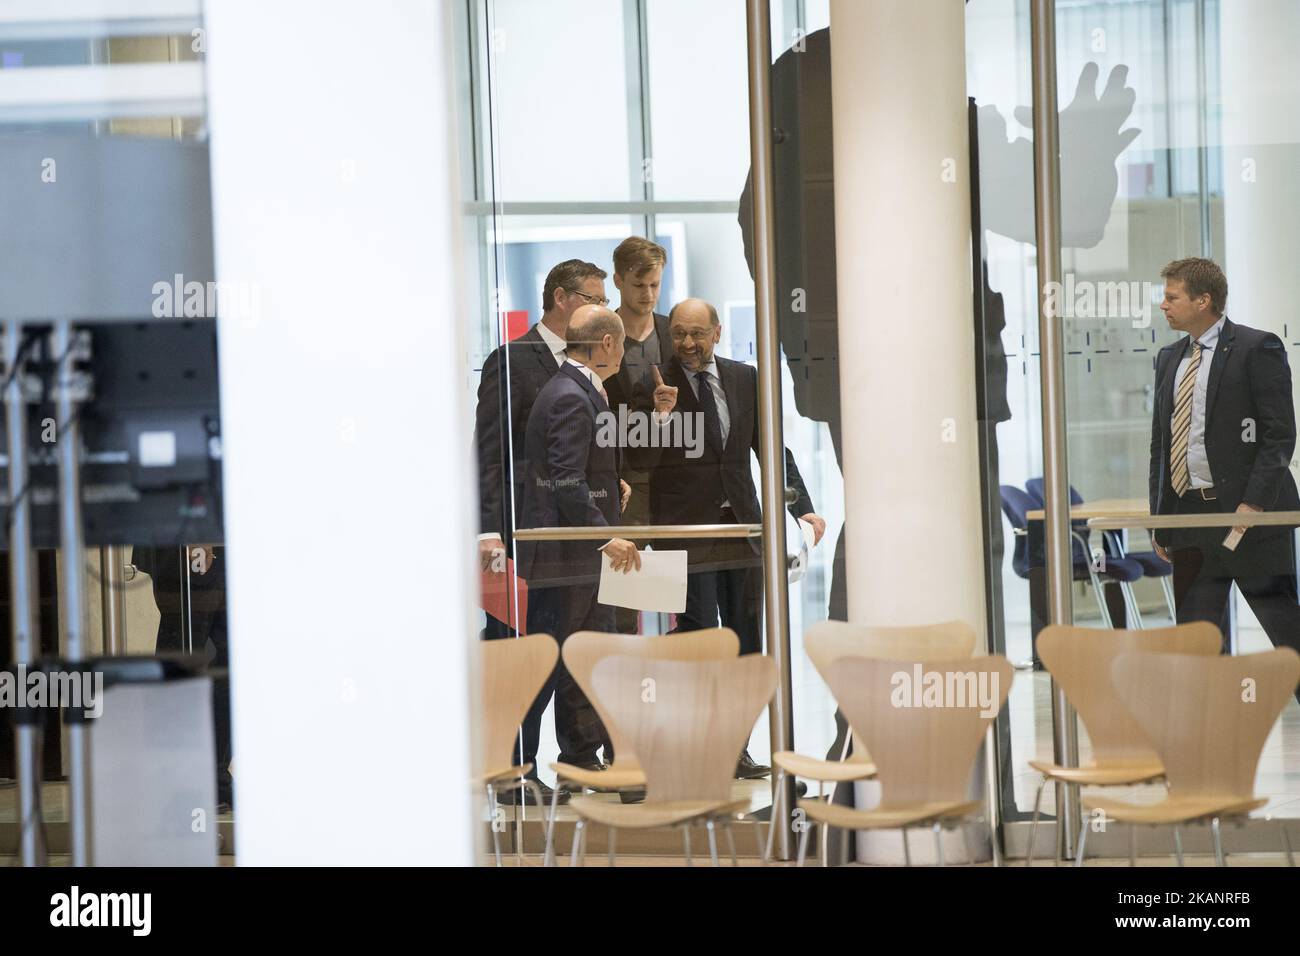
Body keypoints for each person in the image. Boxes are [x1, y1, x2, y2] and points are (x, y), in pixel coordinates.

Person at [638, 298, 825, 778]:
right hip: (689, 535)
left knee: (745, 641)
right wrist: (659, 420)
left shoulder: (744, 378)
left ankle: (735, 748)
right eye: (678, 333)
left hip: (743, 530)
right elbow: (638, 463)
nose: (687, 343)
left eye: (697, 333)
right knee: (702, 640)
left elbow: (770, 445)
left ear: (717, 332)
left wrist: (802, 507)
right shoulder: (655, 383)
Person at [473, 258, 609, 805]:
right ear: (561, 298)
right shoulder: (512, 361)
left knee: (559, 652)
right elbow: (490, 455)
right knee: (523, 655)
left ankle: (558, 762)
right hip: (523, 542)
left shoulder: (592, 366)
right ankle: (513, 770)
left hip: (568, 544)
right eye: (594, 297)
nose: (603, 308)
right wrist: (489, 533)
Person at [1149, 257, 1300, 695]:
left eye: (1172, 296)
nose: (1164, 305)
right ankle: (1205, 733)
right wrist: (1161, 517)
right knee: (1194, 640)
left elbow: (1278, 435)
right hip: (1190, 520)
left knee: (1283, 627)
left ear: (1203, 299)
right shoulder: (1168, 358)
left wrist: (1253, 503)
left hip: (1250, 518)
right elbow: (1161, 445)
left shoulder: (1258, 348)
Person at [516, 306, 641, 783]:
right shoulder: (571, 394)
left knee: (586, 658)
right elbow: (565, 481)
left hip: (577, 557)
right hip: (566, 558)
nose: (624, 352)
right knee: (547, 664)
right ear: (607, 343)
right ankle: (518, 771)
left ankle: (581, 759)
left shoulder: (575, 387)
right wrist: (603, 535)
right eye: (623, 343)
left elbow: (577, 471)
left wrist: (611, 485)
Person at [604, 237, 672, 635]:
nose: (647, 294)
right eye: (638, 285)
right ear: (618, 280)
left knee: (676, 594)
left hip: (672, 480)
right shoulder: (600, 334)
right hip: (623, 481)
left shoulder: (674, 333)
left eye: (655, 285)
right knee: (623, 602)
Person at [133, 543, 232, 811]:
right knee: (182, 662)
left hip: (221, 544)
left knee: (230, 664)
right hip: (188, 541)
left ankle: (213, 778)